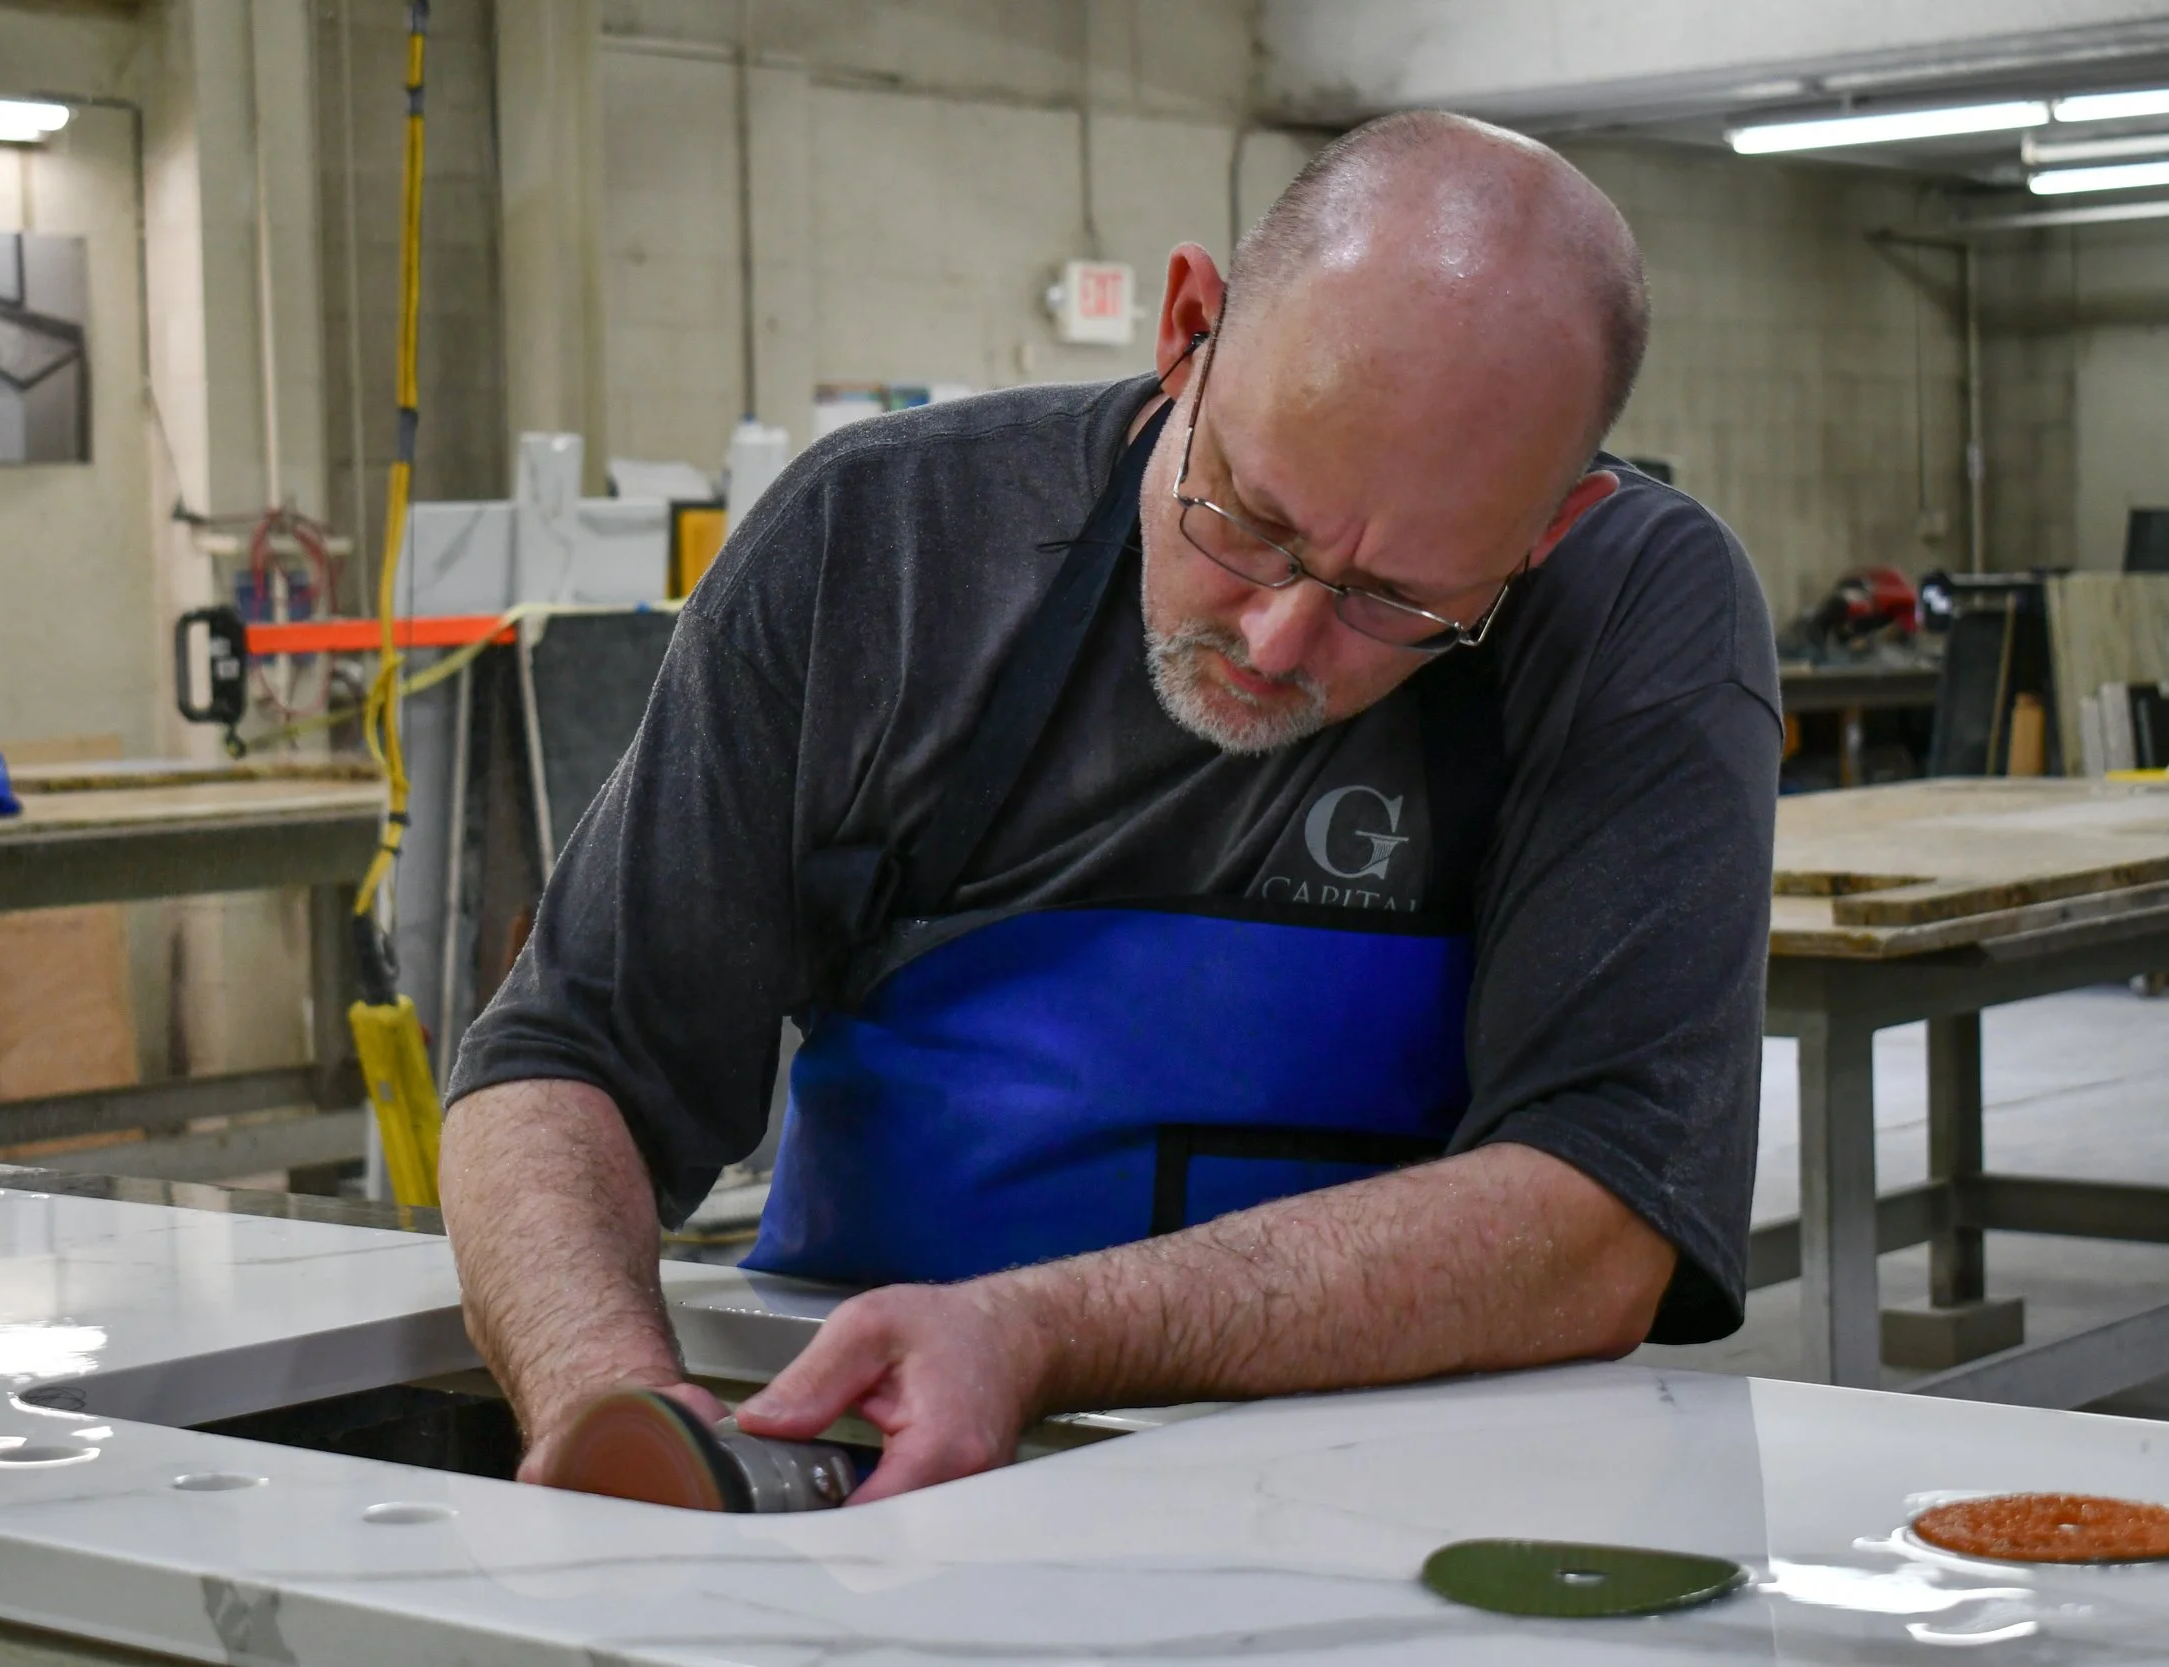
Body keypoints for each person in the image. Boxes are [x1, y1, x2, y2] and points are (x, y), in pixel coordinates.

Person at [441, 110, 1780, 1503]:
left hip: (1410, 1507)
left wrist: (1034, 1333)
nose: (1277, 639)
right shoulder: (884, 547)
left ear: (1544, 530)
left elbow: (1600, 1214)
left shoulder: (1631, 609)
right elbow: (565, 1057)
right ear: (1188, 324)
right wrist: (612, 1402)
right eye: (1250, 520)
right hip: (882, 1476)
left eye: (1401, 601)